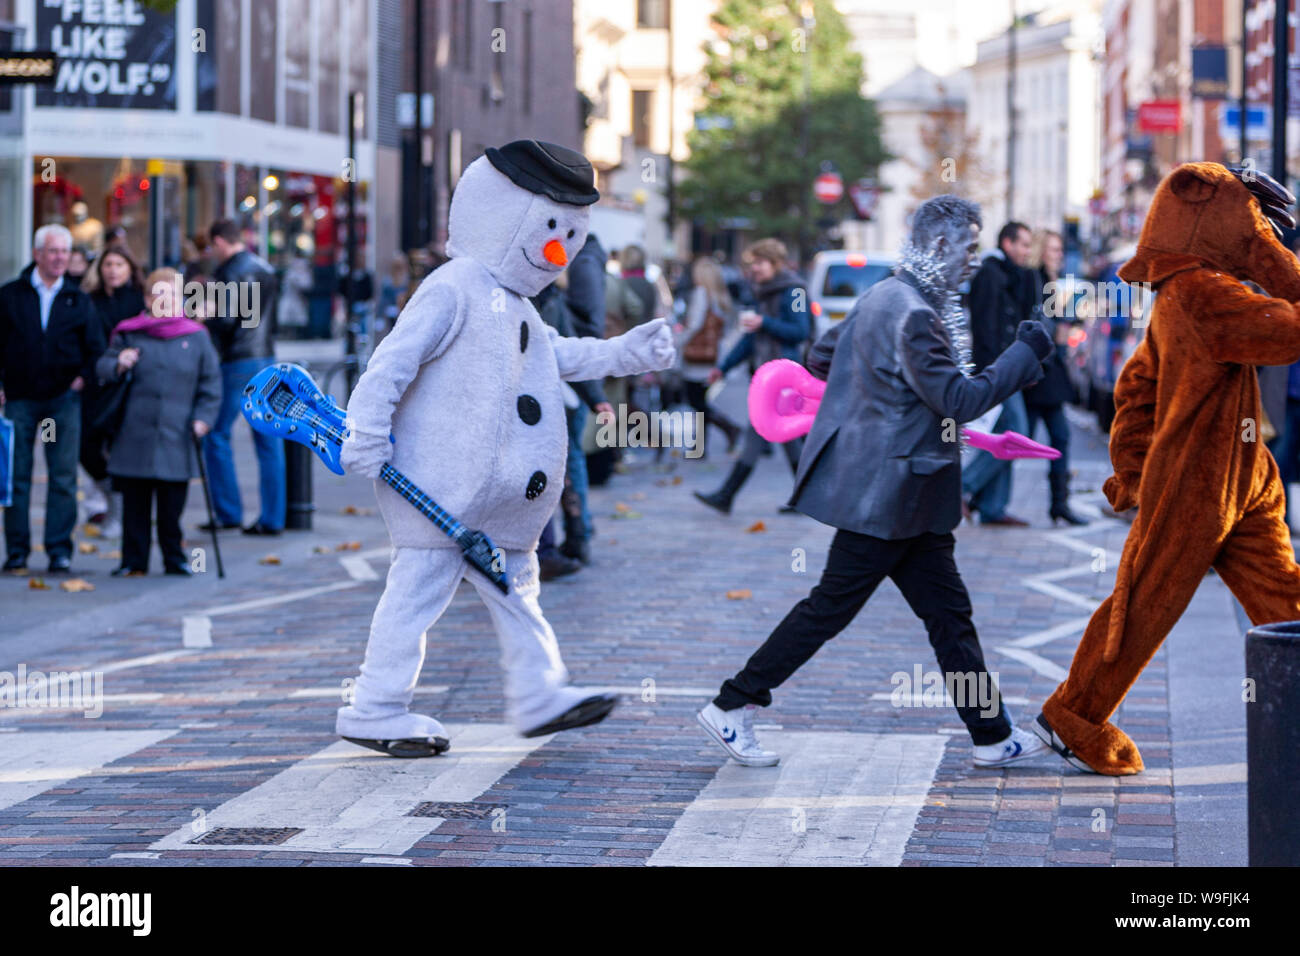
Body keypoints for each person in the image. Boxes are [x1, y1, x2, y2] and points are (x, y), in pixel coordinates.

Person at [335, 139, 676, 755]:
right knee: (417, 593)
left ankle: (538, 693)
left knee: (517, 592)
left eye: (567, 235)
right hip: (440, 489)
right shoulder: (455, 286)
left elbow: (557, 354)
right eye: (550, 228)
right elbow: (392, 360)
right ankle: (375, 706)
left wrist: (627, 351)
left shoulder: (514, 302)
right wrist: (366, 431)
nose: (556, 250)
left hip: (501, 503)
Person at [696, 195, 1055, 769]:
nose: (973, 260)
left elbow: (820, 356)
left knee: (948, 619)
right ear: (940, 246)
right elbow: (958, 401)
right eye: (968, 247)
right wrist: (1023, 352)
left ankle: (991, 735)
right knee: (830, 609)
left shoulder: (884, 296)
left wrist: (878, 403)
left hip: (908, 495)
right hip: (890, 498)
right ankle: (731, 704)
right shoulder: (912, 314)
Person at [1035, 163, 1300, 775]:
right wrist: (1266, 253)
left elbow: (1136, 386)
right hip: (1195, 480)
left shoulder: (1177, 299)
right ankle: (1073, 713)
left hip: (1242, 474)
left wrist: (1130, 468)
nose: (1259, 231)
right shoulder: (1203, 295)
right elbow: (1290, 328)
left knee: (1281, 595)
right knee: (1148, 598)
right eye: (1250, 220)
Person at [96, 268, 221, 576]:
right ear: (148, 298)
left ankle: (174, 558)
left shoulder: (196, 337)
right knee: (135, 503)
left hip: (177, 431)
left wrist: (203, 420)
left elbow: (211, 385)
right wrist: (119, 363)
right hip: (134, 430)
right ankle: (132, 560)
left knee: (171, 505)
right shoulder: (129, 332)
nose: (165, 300)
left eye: (172, 295)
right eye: (159, 294)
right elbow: (102, 368)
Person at [0, 225, 105, 574]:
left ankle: (59, 551)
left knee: (63, 478)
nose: (61, 258)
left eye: (65, 252)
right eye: (54, 251)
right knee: (17, 476)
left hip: (63, 401)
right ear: (37, 254)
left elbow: (95, 348)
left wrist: (82, 380)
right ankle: (17, 552)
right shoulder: (10, 295)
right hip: (18, 399)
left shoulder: (78, 298)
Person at [694, 238, 810, 514]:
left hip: (784, 377)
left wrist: (765, 323)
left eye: (759, 263)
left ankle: (726, 495)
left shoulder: (795, 292)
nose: (753, 269)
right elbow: (749, 341)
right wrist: (723, 367)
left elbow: (800, 331)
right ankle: (806, 497)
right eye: (752, 264)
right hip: (767, 375)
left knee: (758, 431)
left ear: (775, 263)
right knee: (788, 440)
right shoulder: (761, 292)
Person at [201, 218, 285, 536]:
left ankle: (228, 512)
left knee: (216, 433)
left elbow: (226, 320)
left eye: (212, 246)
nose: (211, 252)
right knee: (268, 437)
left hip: (237, 359)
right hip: (265, 355)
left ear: (221, 241)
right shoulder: (264, 268)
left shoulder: (230, 272)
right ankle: (273, 518)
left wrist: (203, 316)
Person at [962, 221, 1036, 526]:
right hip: (998, 370)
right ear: (1007, 243)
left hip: (1009, 369)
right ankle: (964, 487)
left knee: (1005, 435)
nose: (1027, 251)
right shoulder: (991, 275)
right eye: (1023, 244)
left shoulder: (1012, 276)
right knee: (1018, 433)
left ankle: (992, 507)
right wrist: (998, 373)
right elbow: (986, 329)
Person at [79, 244, 147, 537]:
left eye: (119, 264)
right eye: (108, 264)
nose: (113, 270)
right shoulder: (88, 300)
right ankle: (111, 500)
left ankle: (123, 514)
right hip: (95, 383)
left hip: (130, 384)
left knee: (123, 448)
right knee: (87, 448)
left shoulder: (139, 300)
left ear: (130, 268)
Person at [1023, 230, 1088, 526]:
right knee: (1019, 436)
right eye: (1053, 249)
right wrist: (1058, 334)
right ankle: (974, 492)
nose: (1059, 254)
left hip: (1048, 372)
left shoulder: (1048, 283)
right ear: (1041, 251)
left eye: (1060, 249)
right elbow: (1034, 327)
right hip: (1038, 373)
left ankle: (1059, 503)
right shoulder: (1034, 281)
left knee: (1058, 436)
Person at [676, 256, 742, 456]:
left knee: (695, 400)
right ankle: (700, 446)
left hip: (696, 357)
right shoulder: (721, 296)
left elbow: (694, 325)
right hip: (712, 355)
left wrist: (677, 341)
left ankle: (728, 428)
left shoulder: (701, 293)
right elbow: (730, 327)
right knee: (701, 400)